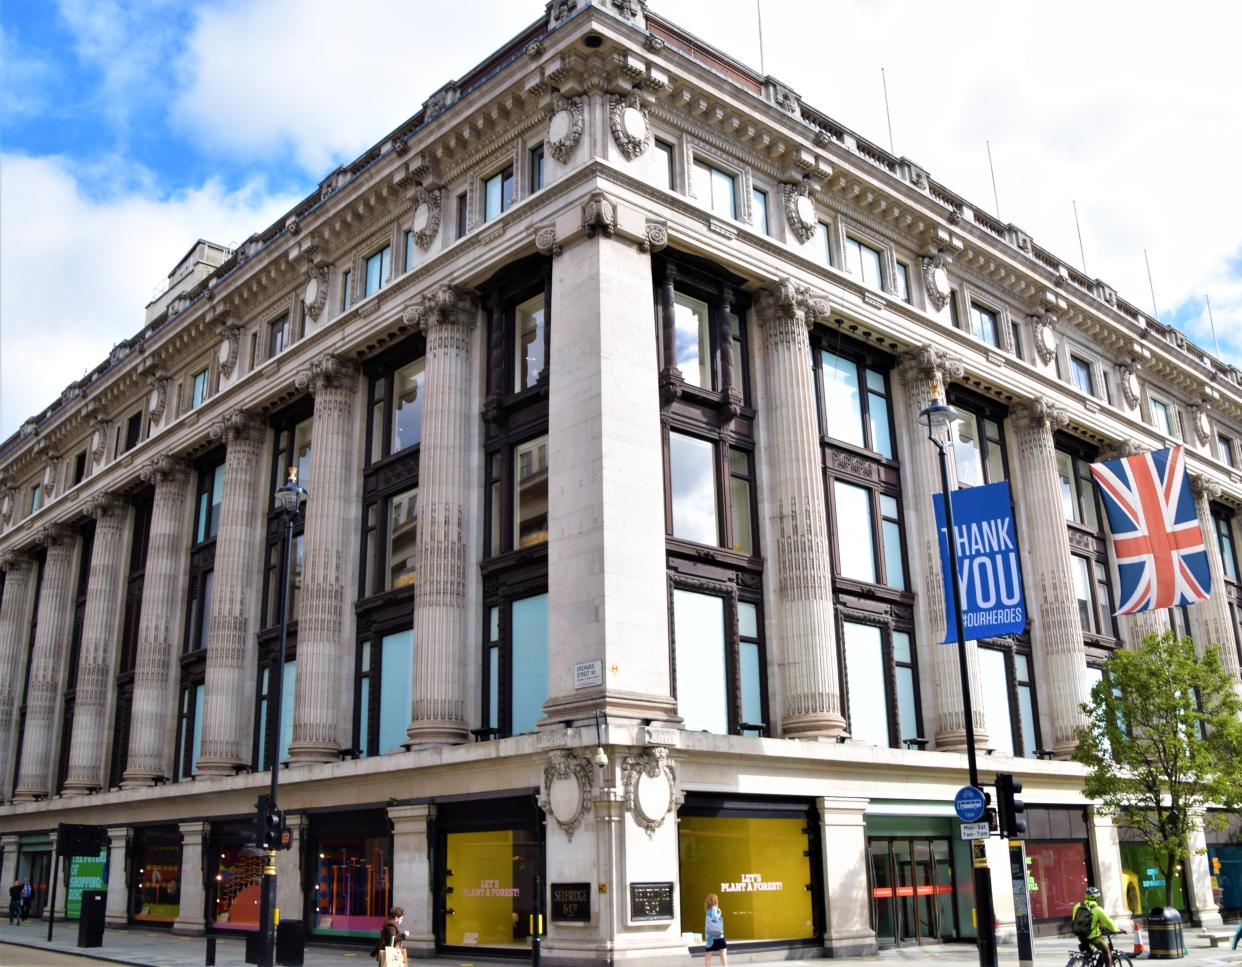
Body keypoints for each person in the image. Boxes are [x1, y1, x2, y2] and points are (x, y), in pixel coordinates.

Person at [1071, 886, 1124, 967]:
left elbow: (1074, 920)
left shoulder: (1077, 906)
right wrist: (1117, 929)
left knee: (1089, 953)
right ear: (1096, 897)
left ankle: (1086, 962)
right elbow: (1108, 922)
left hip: (1080, 935)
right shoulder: (1097, 909)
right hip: (1093, 937)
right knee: (1106, 950)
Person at [703, 894, 727, 967]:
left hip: (710, 938)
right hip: (718, 937)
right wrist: (719, 913)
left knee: (708, 956)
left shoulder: (708, 910)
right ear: (715, 900)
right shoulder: (714, 908)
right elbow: (715, 918)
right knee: (723, 953)